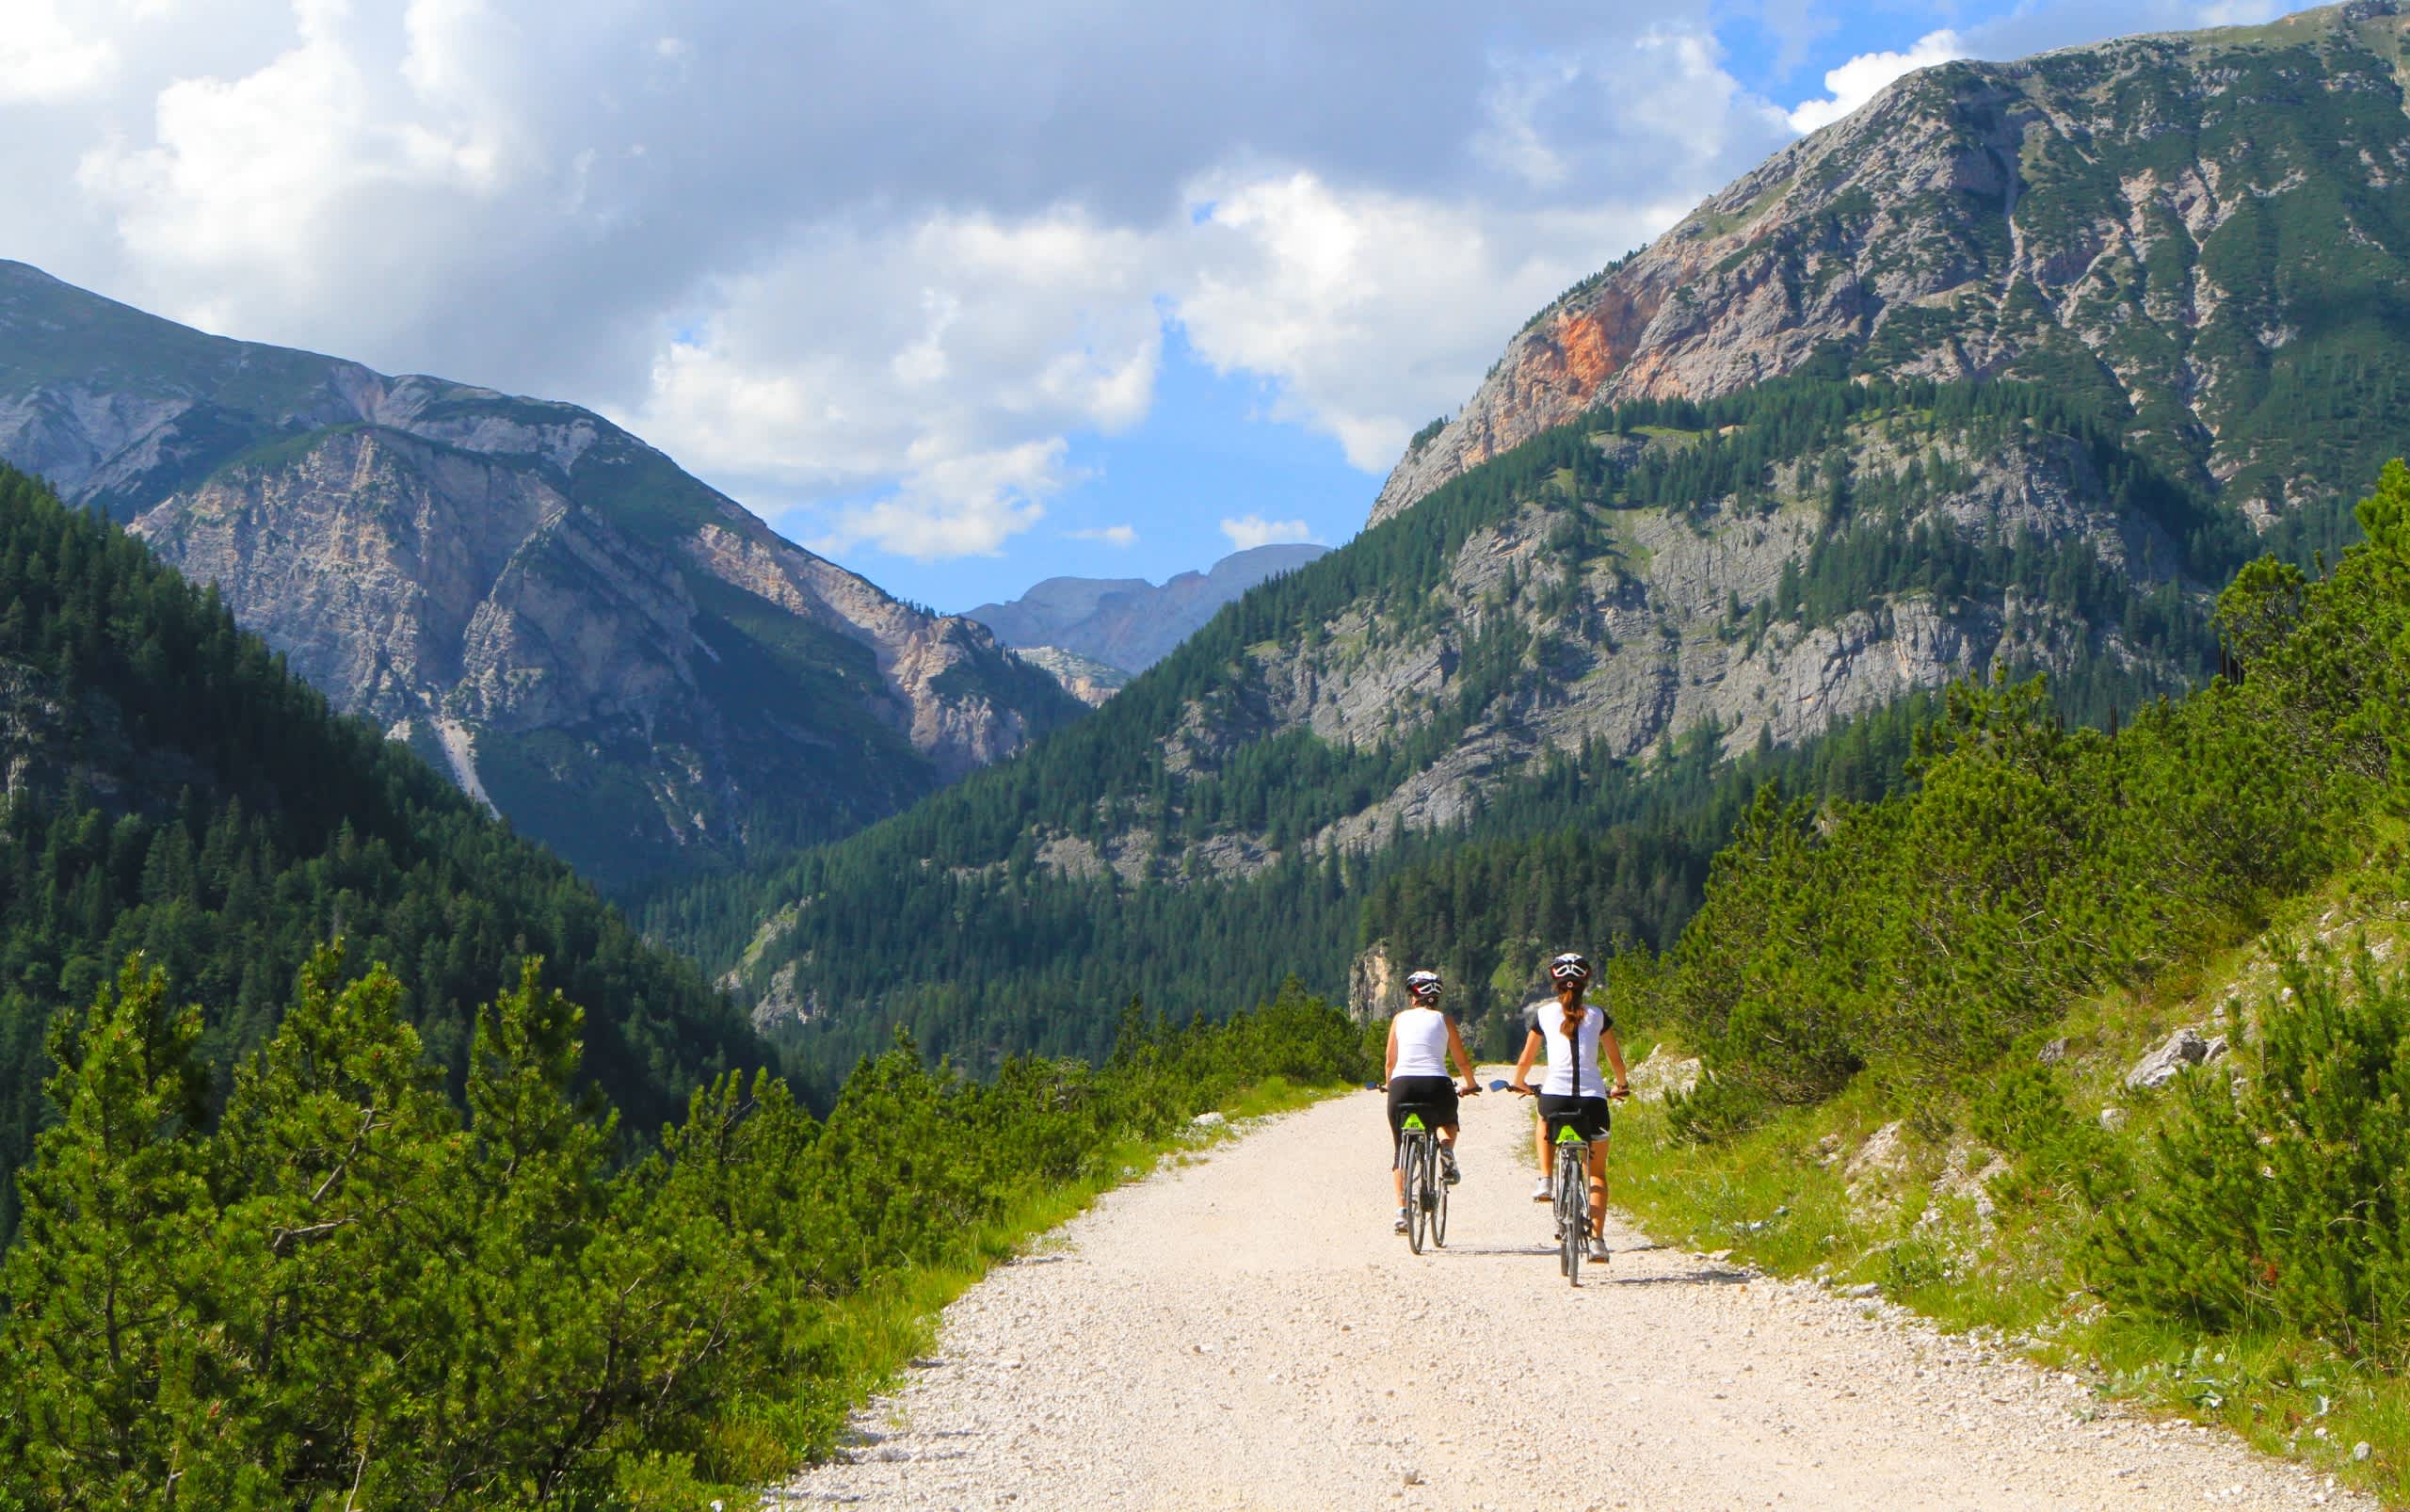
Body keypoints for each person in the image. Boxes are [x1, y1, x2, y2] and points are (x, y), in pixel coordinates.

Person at [1509, 952, 1631, 1263]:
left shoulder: (1545, 1014)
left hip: (1555, 1097)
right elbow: (1616, 1060)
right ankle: (1599, 1241)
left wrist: (1520, 1082)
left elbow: (1526, 1058)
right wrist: (1620, 1086)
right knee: (1597, 1174)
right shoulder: (1598, 1016)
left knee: (1543, 1119)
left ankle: (1546, 1179)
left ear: (1555, 983)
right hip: (1593, 1101)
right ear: (1585, 984)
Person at [1384, 969, 1481, 1234]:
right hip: (1436, 1084)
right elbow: (1461, 1060)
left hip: (1402, 1086)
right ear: (1436, 997)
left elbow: (1391, 1061)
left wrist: (1390, 1085)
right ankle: (1447, 1150)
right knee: (1447, 1120)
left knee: (1400, 1150)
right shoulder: (1444, 1020)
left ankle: (1403, 1212)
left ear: (1412, 996)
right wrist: (1470, 1084)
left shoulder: (1399, 1019)